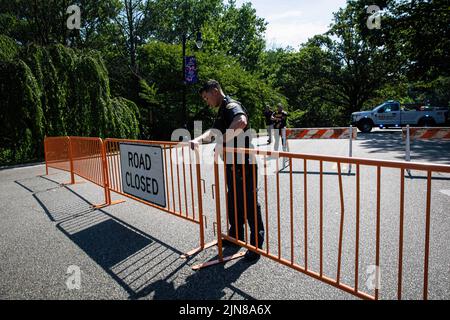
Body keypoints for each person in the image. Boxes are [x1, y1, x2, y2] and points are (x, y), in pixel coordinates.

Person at [189, 80, 264, 261]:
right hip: (233, 164)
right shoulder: (222, 110)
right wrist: (198, 139)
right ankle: (236, 236)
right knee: (234, 200)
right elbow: (213, 131)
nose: (206, 102)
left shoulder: (231, 106)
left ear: (215, 91)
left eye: (207, 97)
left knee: (248, 202)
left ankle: (255, 246)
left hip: (244, 164)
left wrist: (222, 142)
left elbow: (241, 121)